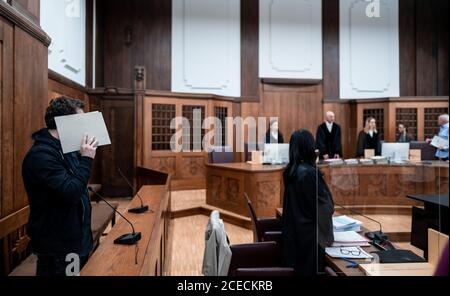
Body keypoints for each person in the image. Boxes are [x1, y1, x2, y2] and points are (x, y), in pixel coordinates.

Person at [22, 97, 98, 276]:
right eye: (80, 122)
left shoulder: (66, 148)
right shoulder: (40, 156)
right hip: (58, 247)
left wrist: (81, 157)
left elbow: (77, 183)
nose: (84, 128)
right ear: (66, 124)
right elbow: (70, 192)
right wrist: (86, 158)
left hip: (77, 240)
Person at [281, 129, 334, 276]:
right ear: (310, 147)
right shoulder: (309, 173)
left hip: (294, 237)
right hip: (310, 242)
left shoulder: (290, 171)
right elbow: (327, 207)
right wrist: (315, 168)